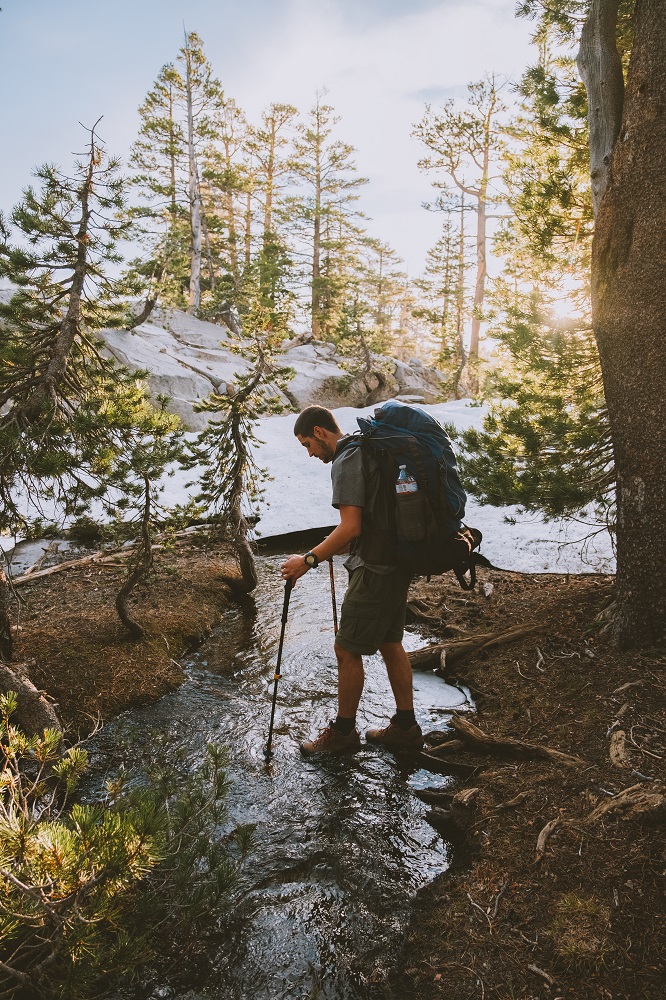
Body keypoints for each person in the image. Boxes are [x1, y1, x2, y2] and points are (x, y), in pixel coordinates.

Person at [281, 404, 424, 756]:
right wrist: (334, 546)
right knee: (390, 643)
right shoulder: (367, 448)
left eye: (307, 445)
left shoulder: (347, 459)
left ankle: (343, 734)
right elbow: (368, 520)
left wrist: (307, 561)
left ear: (319, 432)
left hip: (375, 568)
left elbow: (351, 528)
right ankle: (405, 728)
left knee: (346, 649)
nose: (310, 454)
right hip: (397, 562)